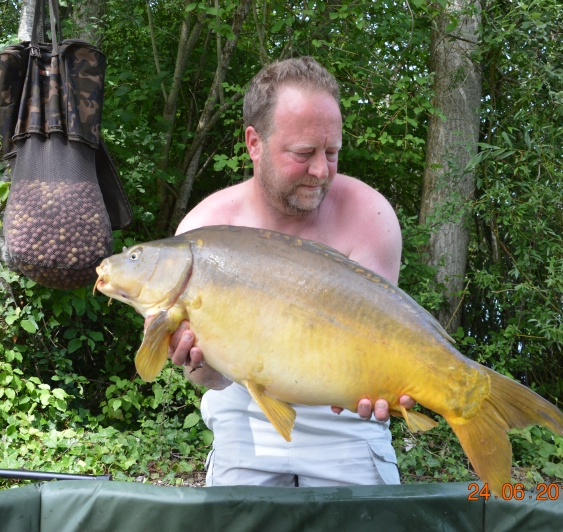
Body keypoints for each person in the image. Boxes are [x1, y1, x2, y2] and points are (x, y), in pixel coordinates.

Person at [166, 56, 414, 487]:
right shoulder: (202, 233)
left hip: (347, 430)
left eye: (332, 153)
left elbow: (379, 345)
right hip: (247, 417)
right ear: (254, 143)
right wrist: (196, 362)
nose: (321, 171)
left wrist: (388, 388)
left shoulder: (371, 216)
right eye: (303, 154)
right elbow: (209, 378)